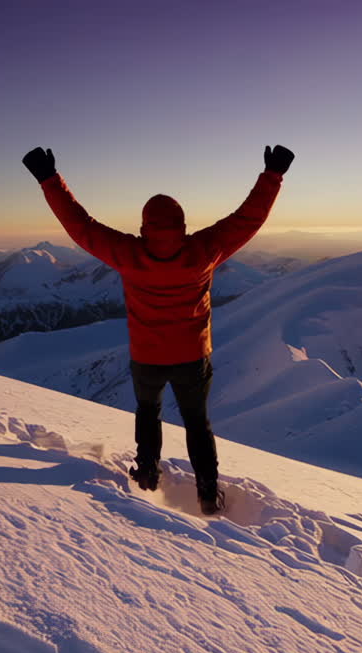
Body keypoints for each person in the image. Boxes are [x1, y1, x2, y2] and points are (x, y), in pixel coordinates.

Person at [22, 144, 294, 514]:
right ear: (182, 225)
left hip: (147, 357)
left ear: (143, 226)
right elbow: (247, 219)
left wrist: (49, 179)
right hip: (193, 357)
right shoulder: (203, 251)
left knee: (148, 412)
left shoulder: (129, 254)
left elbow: (80, 226)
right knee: (198, 423)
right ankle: (208, 493)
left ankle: (147, 474)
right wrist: (272, 175)